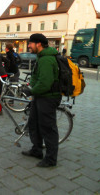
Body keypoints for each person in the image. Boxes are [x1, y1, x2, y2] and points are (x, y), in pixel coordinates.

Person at [21, 33, 61, 168]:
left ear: (38, 44)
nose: (28, 46)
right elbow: (36, 77)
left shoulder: (47, 59)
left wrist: (32, 91)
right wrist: (30, 87)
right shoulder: (41, 57)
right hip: (40, 96)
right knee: (34, 123)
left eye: (30, 43)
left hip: (48, 97)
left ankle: (51, 159)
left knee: (48, 128)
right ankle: (37, 150)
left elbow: (45, 82)